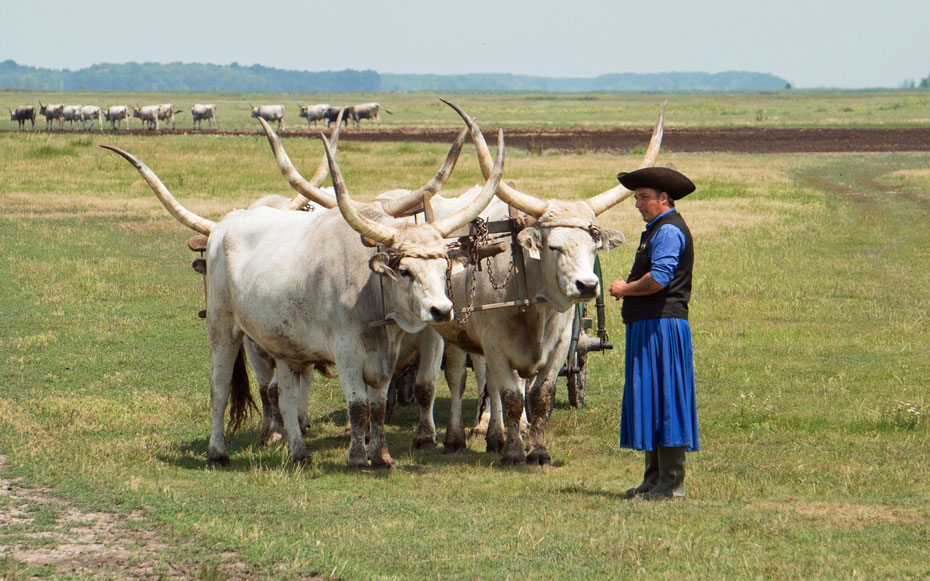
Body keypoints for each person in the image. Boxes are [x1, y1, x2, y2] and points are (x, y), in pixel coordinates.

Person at [608, 167, 698, 500]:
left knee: (666, 398)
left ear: (664, 198)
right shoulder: (656, 229)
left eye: (644, 197)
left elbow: (659, 279)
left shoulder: (669, 231)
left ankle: (671, 484)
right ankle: (653, 479)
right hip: (650, 326)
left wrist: (625, 288)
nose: (638, 204)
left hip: (662, 327)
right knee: (652, 397)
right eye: (636, 198)